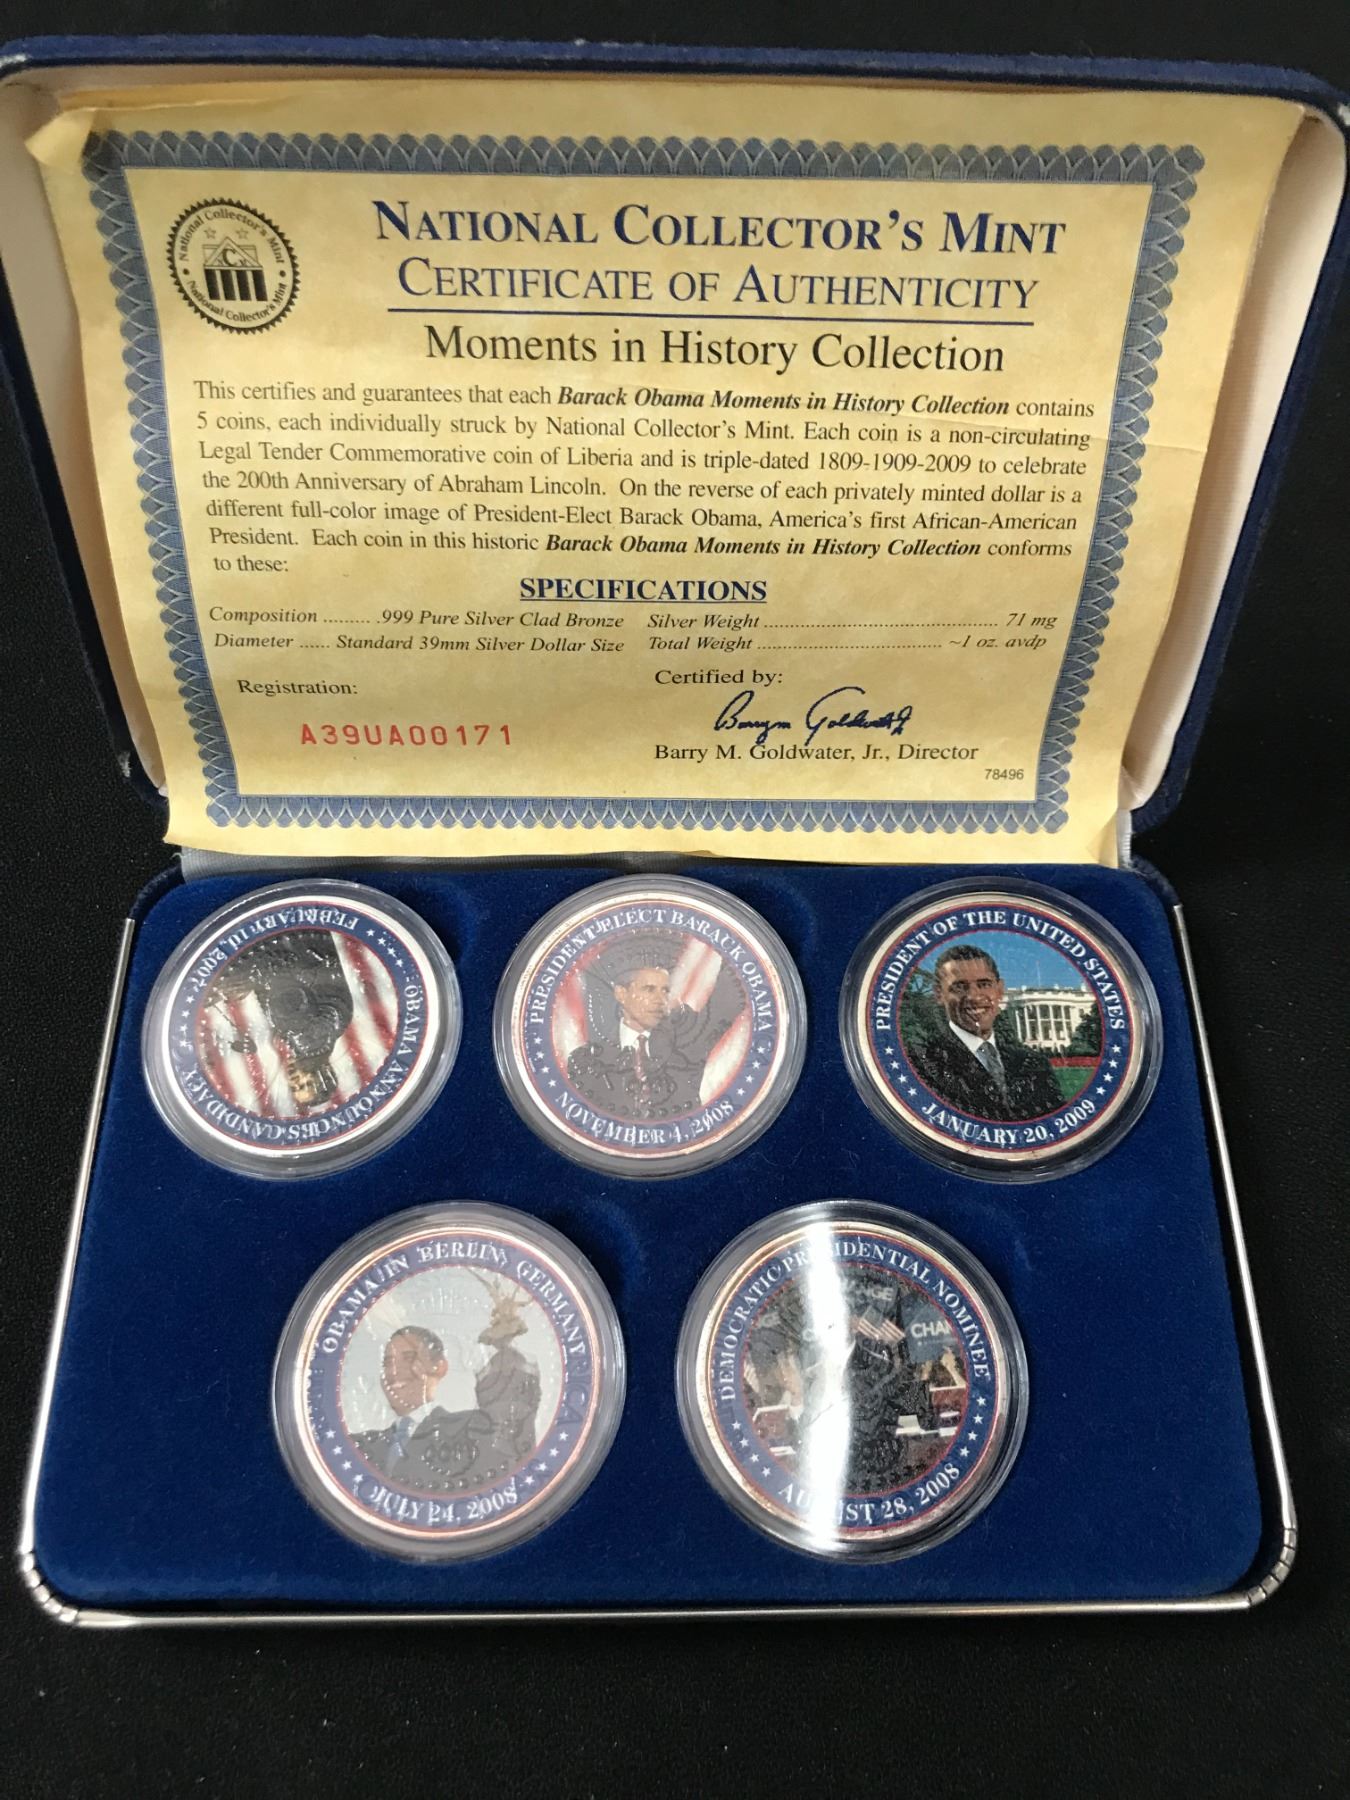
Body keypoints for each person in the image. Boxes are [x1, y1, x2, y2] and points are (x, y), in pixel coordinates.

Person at [565, 931, 746, 1121]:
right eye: (649, 989)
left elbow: (727, 1003)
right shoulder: (587, 1059)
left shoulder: (688, 1044)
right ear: (621, 994)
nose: (660, 1000)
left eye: (665, 991)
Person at [909, 943, 1063, 1123]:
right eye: (959, 987)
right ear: (939, 994)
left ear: (1000, 990)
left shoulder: (1035, 1064)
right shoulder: (922, 1063)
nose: (974, 997)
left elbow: (1057, 1125)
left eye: (984, 984)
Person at [203, 930, 354, 1111]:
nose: (295, 1080)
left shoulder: (312, 1036)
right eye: (306, 1084)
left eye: (294, 1087)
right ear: (325, 1074)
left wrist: (239, 986)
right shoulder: (312, 1038)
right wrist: (242, 982)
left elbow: (275, 983)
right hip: (279, 937)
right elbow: (280, 972)